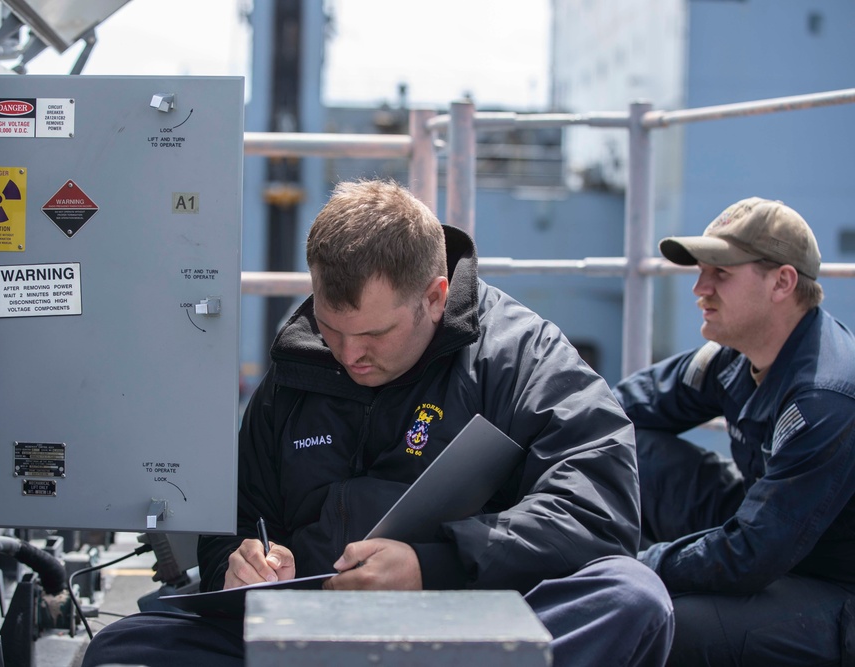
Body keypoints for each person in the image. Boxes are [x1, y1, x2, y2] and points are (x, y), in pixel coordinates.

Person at [84, 179, 673, 666]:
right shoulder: (296, 369)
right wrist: (240, 565)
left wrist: (433, 564)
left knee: (633, 598)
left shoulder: (523, 357)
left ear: (436, 297)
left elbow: (598, 510)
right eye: (331, 327)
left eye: (374, 334)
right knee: (122, 648)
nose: (348, 355)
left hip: (469, 624)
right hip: (308, 628)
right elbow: (233, 521)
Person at [612, 197, 855, 665]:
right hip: (772, 536)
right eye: (701, 271)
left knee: (671, 627)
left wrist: (635, 567)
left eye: (720, 273)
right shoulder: (736, 356)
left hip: (834, 587)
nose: (700, 288)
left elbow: (751, 555)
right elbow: (614, 410)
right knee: (625, 446)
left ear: (782, 282)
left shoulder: (825, 399)